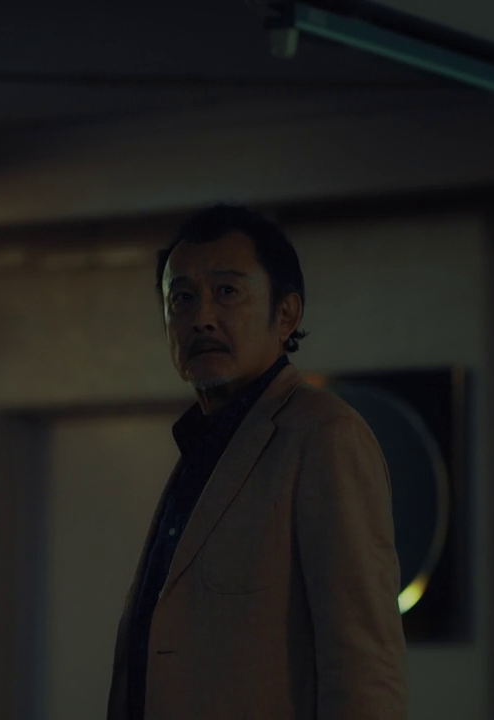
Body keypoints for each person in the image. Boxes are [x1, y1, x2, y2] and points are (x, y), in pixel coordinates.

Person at [105, 204, 409, 719]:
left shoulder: (323, 436)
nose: (202, 317)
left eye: (227, 291)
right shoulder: (204, 444)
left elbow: (365, 666)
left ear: (286, 315)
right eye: (182, 298)